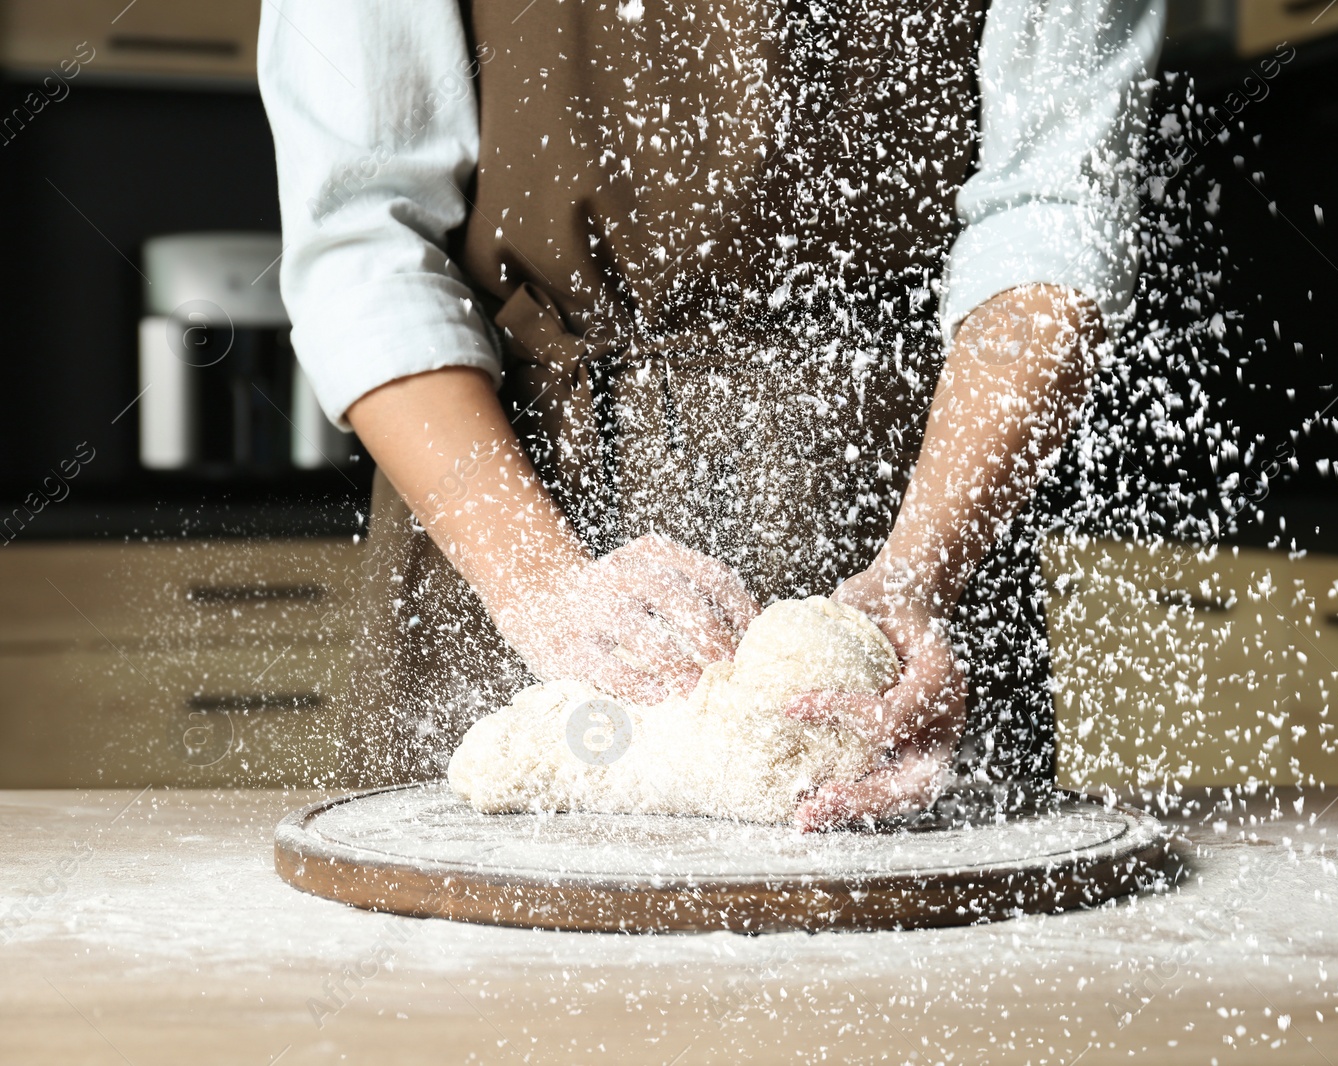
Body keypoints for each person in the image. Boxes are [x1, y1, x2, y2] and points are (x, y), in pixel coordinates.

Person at [260, 0, 1163, 829]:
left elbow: (1053, 211)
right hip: (513, 501)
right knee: (464, 964)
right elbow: (365, 237)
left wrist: (917, 575)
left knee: (921, 981)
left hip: (914, 500)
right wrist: (539, 583)